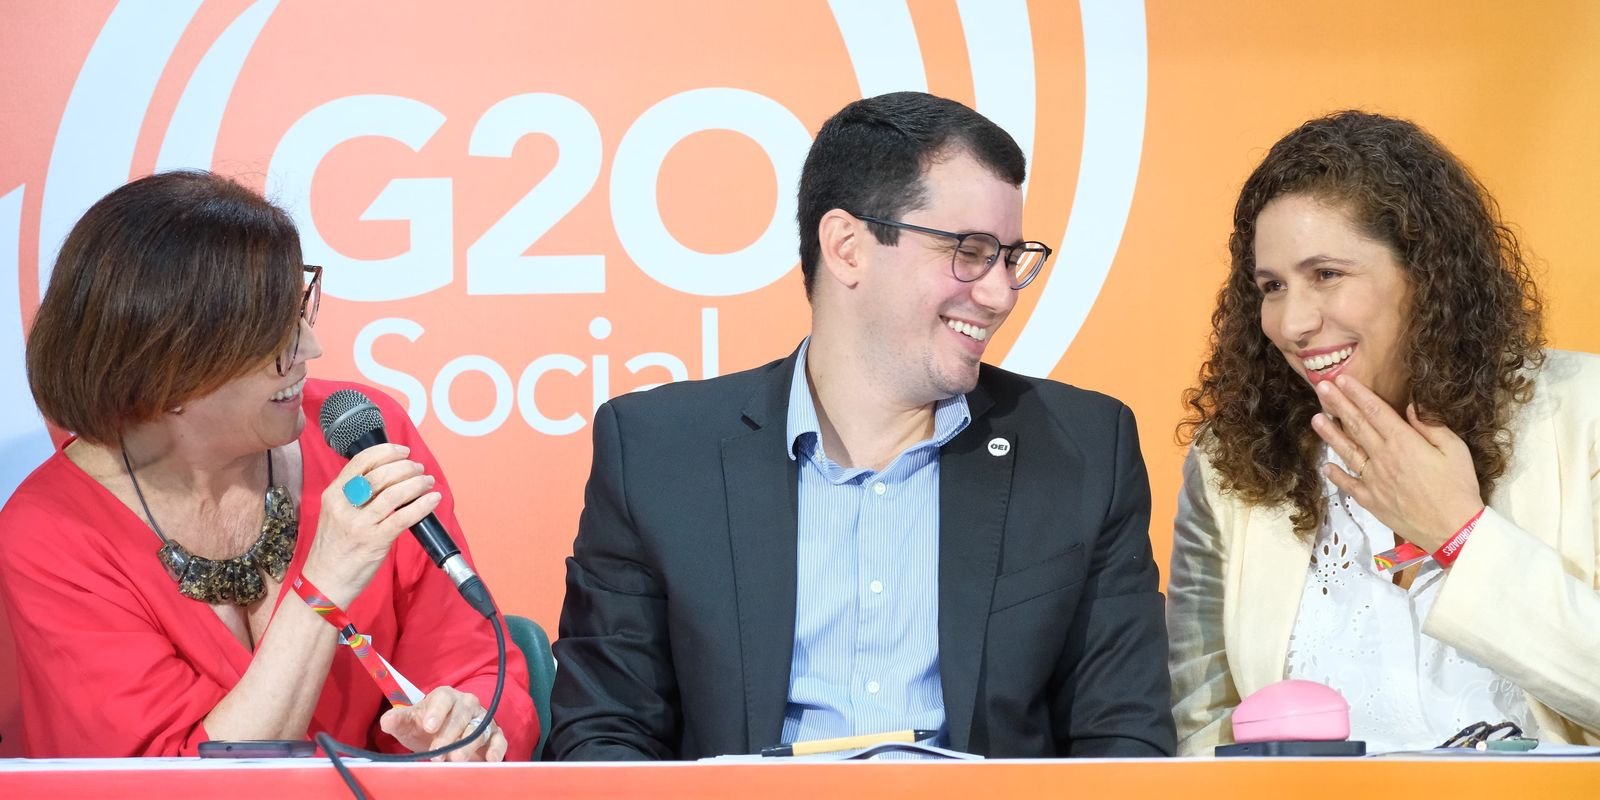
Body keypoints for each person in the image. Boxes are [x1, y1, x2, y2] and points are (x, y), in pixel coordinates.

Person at [546, 91, 1174, 760]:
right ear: (847, 247)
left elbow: (1123, 739)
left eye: (1010, 258)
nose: (999, 294)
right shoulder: (658, 453)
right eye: (969, 252)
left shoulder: (1082, 448)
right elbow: (603, 736)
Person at [0, 171, 535, 759]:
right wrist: (327, 579)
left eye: (299, 312)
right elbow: (176, 783)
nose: (310, 348)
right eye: (272, 336)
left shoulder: (357, 436)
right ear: (166, 371)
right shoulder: (50, 535)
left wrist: (465, 721)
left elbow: (472, 660)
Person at [1168, 110, 1600, 754]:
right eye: (1272, 286)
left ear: (1426, 273)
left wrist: (1459, 535)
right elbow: (1204, 729)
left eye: (1327, 274)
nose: (1292, 323)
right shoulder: (1230, 459)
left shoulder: (1584, 414)